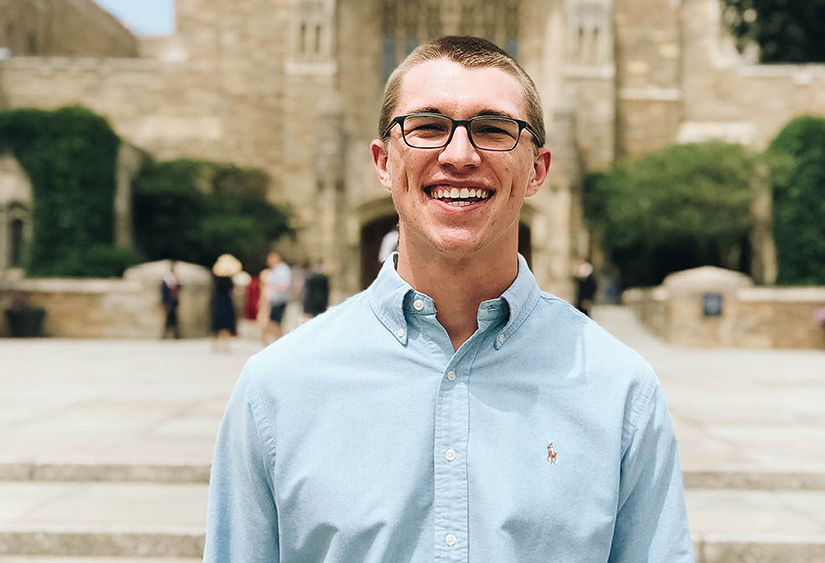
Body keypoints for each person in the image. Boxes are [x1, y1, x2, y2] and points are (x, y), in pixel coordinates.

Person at [205, 36, 693, 562]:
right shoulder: (277, 387)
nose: (459, 154)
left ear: (538, 169)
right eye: (427, 126)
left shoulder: (619, 389)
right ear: (383, 162)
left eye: (493, 129)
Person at [211, 254, 241, 352]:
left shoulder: (217, 279)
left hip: (219, 301)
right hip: (226, 301)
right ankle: (225, 345)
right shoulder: (229, 279)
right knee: (226, 323)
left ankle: (215, 345)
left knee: (218, 323)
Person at [264, 251, 292, 343]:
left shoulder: (282, 270)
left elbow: (284, 285)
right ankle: (278, 341)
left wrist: (274, 285)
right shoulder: (276, 270)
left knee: (277, 323)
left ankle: (280, 342)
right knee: (274, 322)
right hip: (275, 299)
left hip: (280, 299)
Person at [160, 261, 181, 339]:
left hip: (174, 301)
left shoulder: (175, 279)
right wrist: (165, 302)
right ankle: (168, 334)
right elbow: (164, 292)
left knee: (173, 318)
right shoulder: (166, 280)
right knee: (169, 318)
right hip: (169, 302)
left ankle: (174, 334)